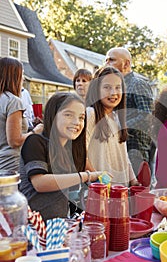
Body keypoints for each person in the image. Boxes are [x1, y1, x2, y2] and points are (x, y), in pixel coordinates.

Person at [19, 92, 104, 221]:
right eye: (69, 115)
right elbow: (40, 183)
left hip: (61, 226)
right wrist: (86, 176)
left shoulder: (72, 150)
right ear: (53, 116)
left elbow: (91, 181)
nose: (77, 122)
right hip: (32, 228)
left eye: (81, 118)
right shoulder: (35, 141)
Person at [85, 66, 139, 186]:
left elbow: (124, 158)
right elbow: (81, 155)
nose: (113, 93)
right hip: (101, 192)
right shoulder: (90, 114)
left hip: (120, 191)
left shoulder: (117, 117)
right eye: (107, 87)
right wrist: (100, 182)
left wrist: (134, 181)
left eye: (117, 87)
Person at [105, 47, 154, 178]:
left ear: (126, 64)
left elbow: (146, 116)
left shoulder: (137, 84)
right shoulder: (115, 87)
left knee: (136, 194)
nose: (106, 64)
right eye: (106, 60)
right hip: (120, 149)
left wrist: (120, 127)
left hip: (135, 150)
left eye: (112, 60)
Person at [0, 57, 43, 172]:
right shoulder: (13, 101)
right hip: (10, 165)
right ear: (13, 76)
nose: (23, 78)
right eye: (21, 74)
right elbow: (15, 141)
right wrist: (36, 131)